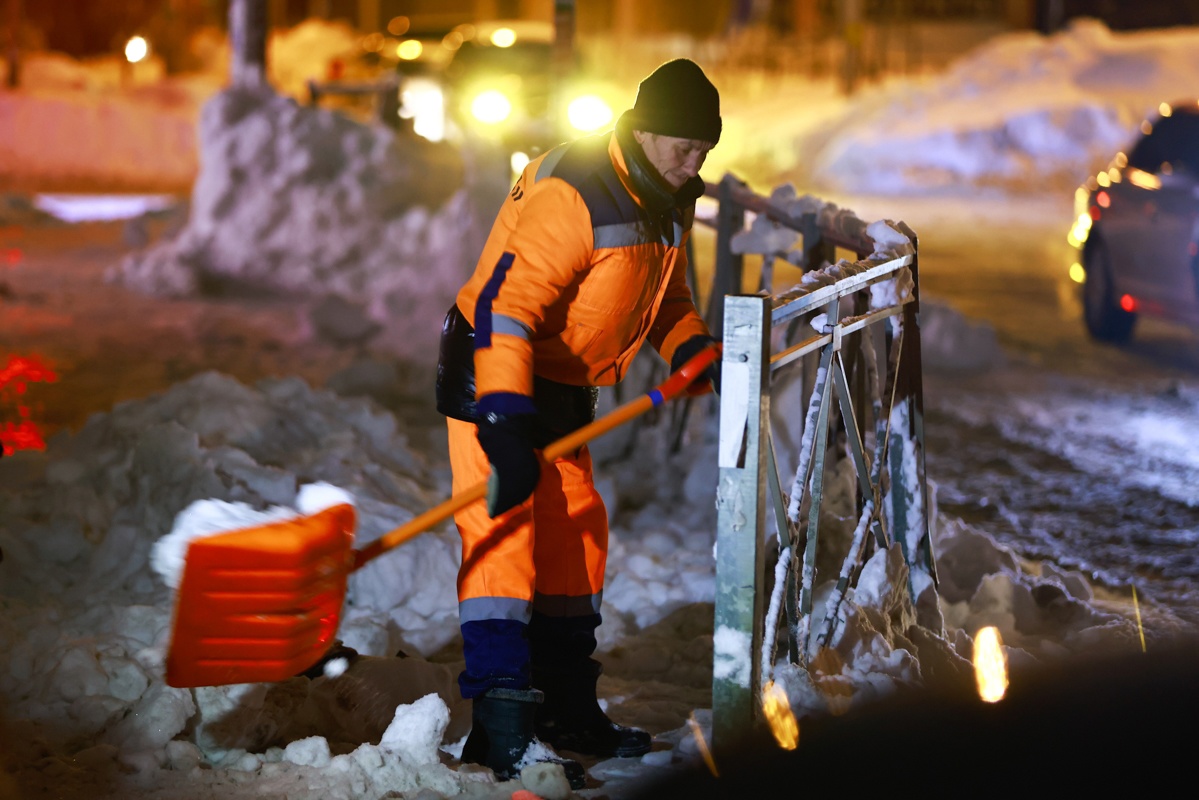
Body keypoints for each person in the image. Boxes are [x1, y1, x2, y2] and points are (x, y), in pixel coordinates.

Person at [435, 58, 723, 788]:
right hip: (494, 372)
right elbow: (508, 306)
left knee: (574, 542)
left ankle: (566, 706)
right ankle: (500, 728)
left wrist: (686, 344)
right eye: (680, 148)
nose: (692, 166)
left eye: (702, 152)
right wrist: (501, 417)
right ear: (642, 130)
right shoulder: (577, 190)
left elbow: (662, 294)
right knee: (503, 541)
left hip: (561, 385)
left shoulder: (665, 197)